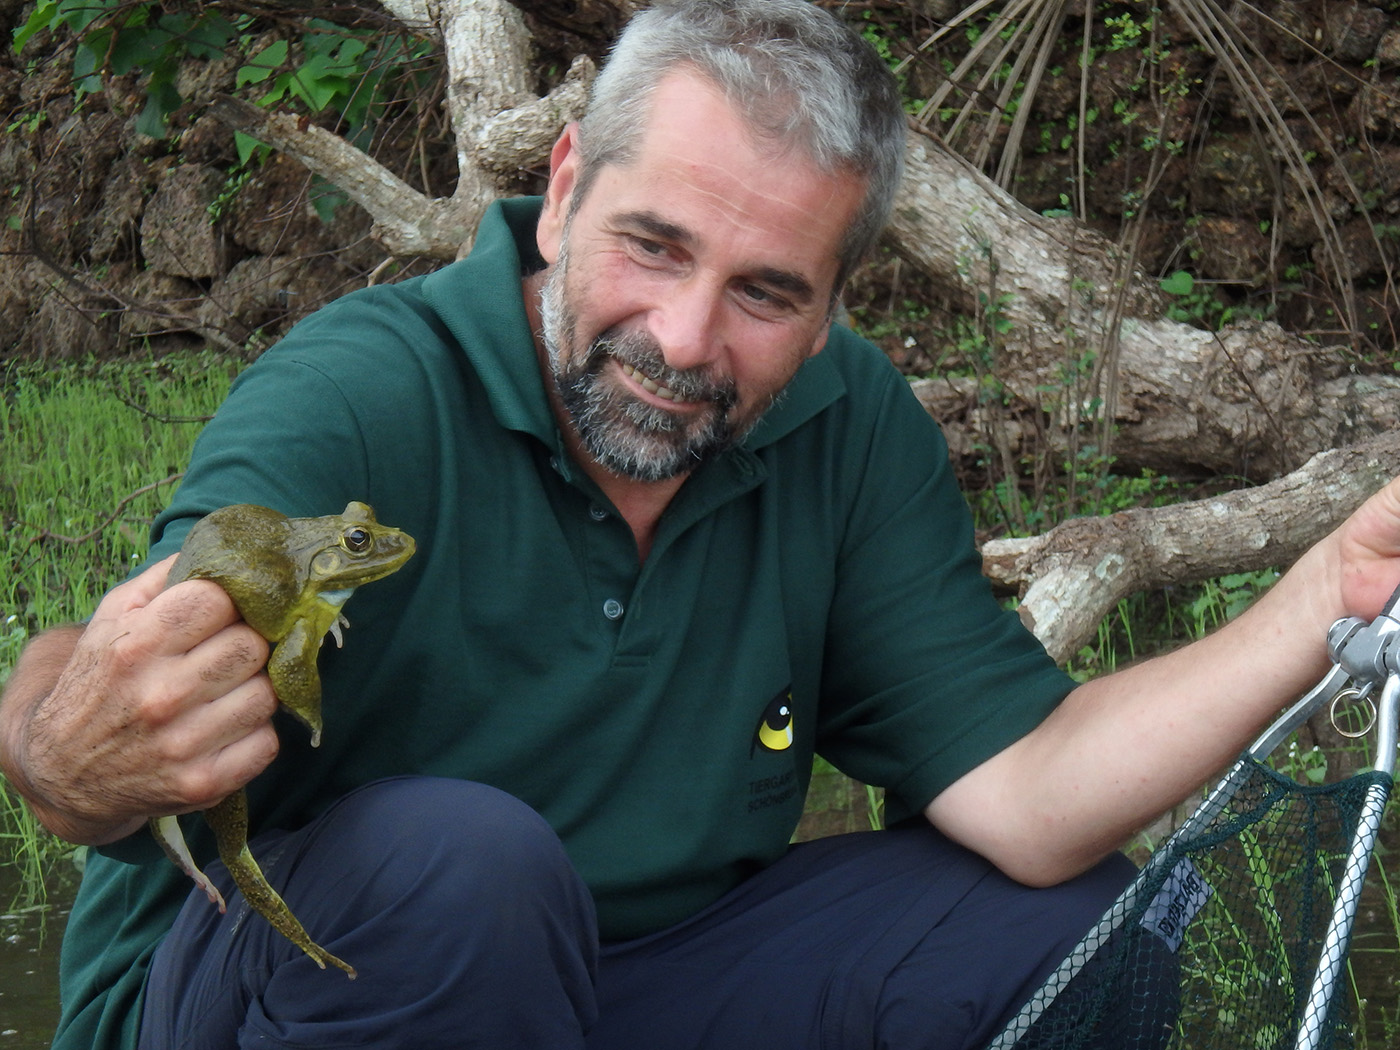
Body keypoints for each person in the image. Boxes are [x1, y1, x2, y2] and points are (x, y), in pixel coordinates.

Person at [2, 1, 1398, 1048]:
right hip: (284, 985)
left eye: (765, 292)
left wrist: (1325, 586)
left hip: (638, 986)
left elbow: (1031, 792)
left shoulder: (846, 426)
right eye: (653, 244)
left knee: (1075, 926)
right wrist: (63, 750)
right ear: (558, 192)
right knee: (463, 875)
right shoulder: (363, 390)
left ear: (835, 303)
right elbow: (86, 670)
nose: (681, 337)